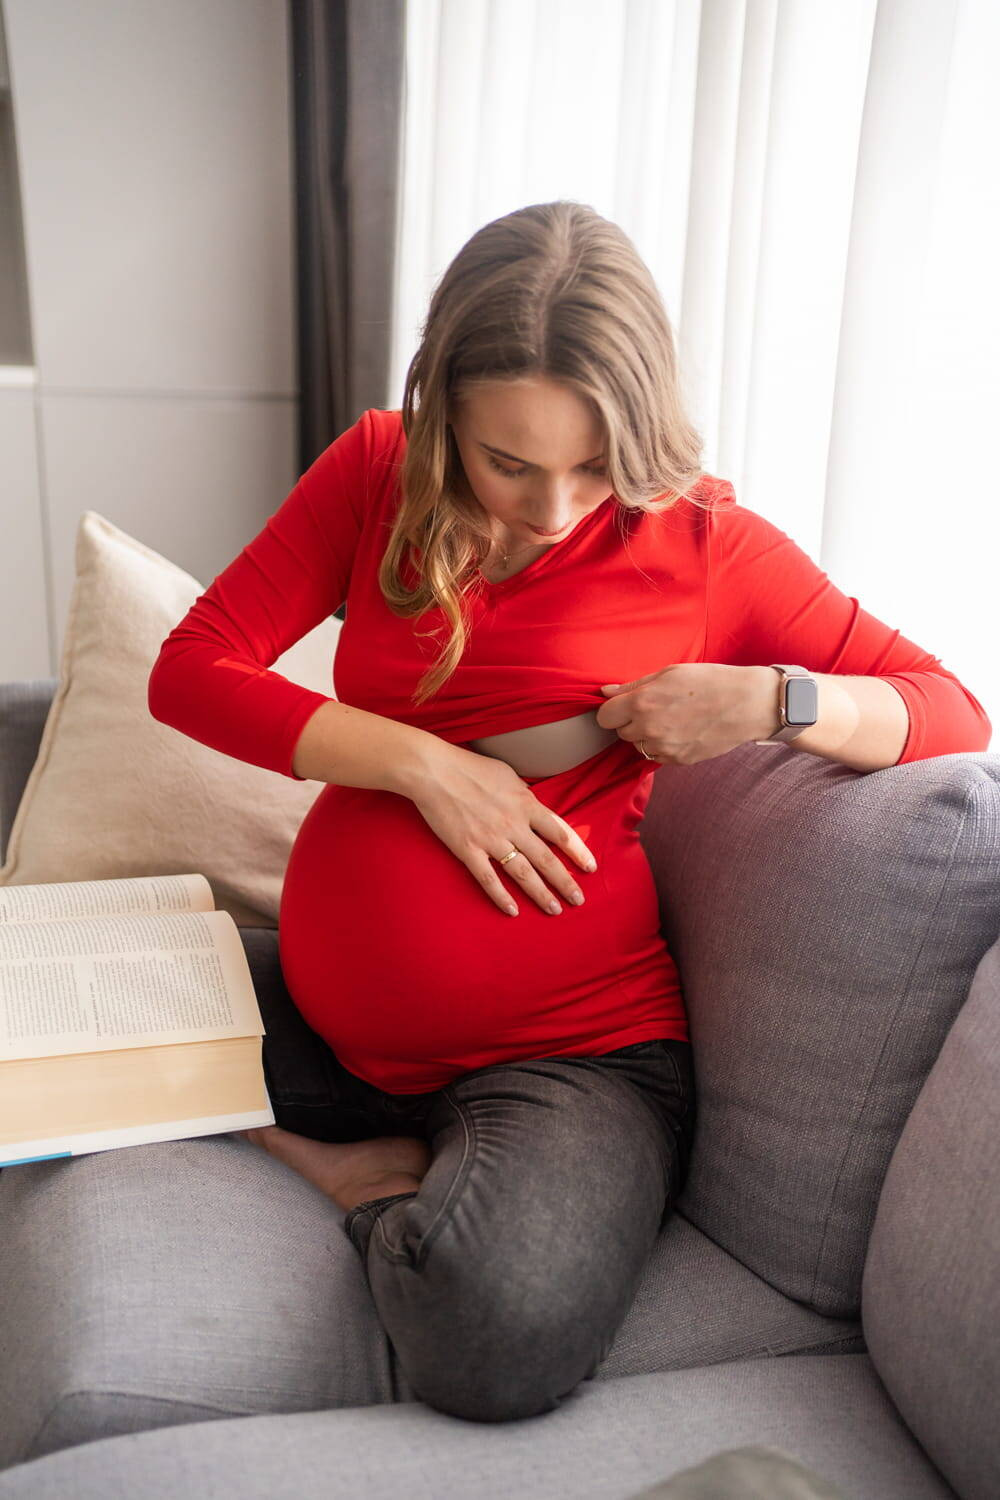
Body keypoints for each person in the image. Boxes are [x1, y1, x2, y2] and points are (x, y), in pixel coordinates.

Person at [146, 200, 991, 1425]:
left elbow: (953, 710)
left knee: (495, 1338)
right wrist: (420, 765)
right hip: (330, 1032)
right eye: (508, 462)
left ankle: (389, 1196)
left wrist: (771, 698)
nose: (552, 511)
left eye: (594, 466)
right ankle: (311, 1150)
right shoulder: (378, 468)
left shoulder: (705, 545)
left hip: (573, 1057)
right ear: (443, 413)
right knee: (39, 1017)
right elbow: (193, 668)